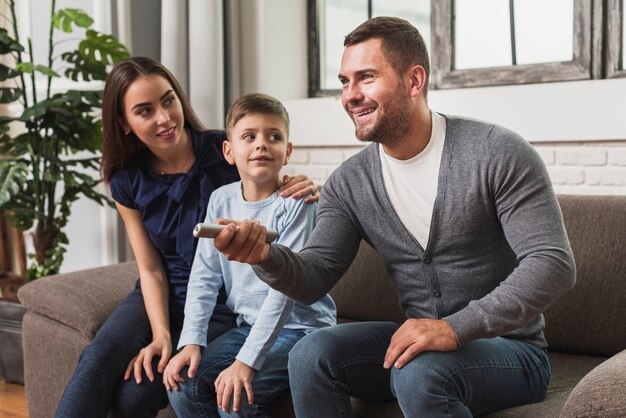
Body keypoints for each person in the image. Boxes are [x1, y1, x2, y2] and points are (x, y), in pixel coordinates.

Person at [212, 17, 576, 417]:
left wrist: (455, 327)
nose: (350, 95)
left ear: (414, 80)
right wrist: (265, 255)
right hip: (420, 345)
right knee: (310, 353)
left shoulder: (497, 152)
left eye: (366, 78)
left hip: (513, 351)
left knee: (419, 373)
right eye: (344, 81)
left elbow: (552, 263)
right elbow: (313, 276)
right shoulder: (349, 183)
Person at [54, 57, 319, 418]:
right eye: (145, 111)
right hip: (165, 292)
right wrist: (164, 336)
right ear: (125, 123)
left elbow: (264, 173)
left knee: (136, 397)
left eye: (168, 100)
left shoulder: (220, 151)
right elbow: (150, 271)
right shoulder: (126, 180)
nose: (164, 118)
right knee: (100, 355)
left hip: (223, 307)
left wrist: (296, 182)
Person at [163, 93, 336, 417]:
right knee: (185, 385)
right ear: (229, 151)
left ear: (287, 151)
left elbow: (285, 290)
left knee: (235, 398)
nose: (261, 144)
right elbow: (204, 275)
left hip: (302, 330)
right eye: (249, 136)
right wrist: (191, 342)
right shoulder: (220, 200)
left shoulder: (296, 203)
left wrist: (246, 362)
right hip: (248, 325)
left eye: (274, 136)